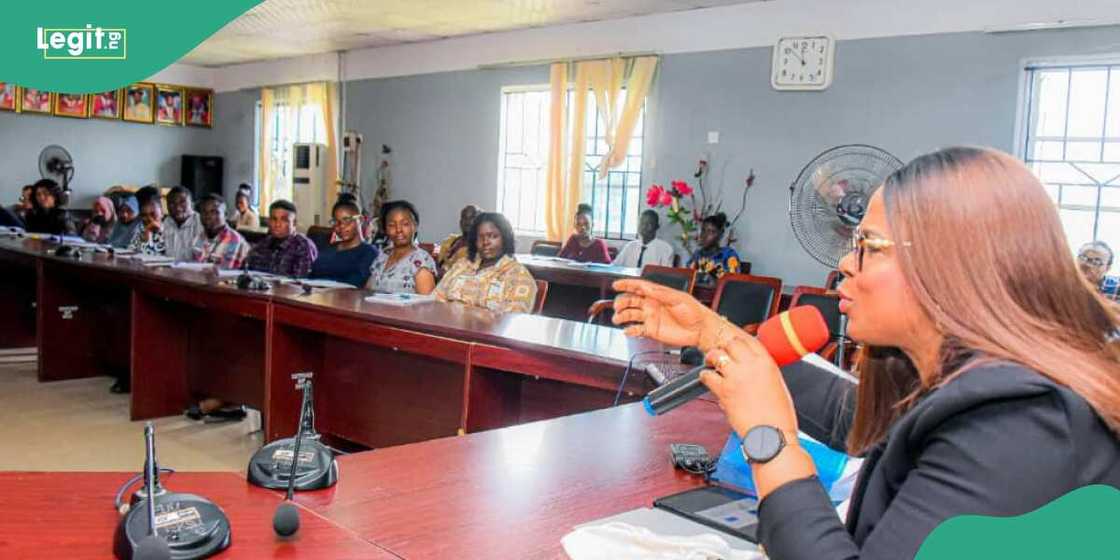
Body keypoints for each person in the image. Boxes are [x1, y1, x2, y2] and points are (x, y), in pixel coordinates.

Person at [612, 147, 1120, 560]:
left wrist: (770, 440)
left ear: (947, 266)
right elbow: (861, 421)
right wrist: (712, 333)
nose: (844, 263)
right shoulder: (986, 387)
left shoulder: (1016, 424)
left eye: (870, 246)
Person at [436, 212, 538, 314]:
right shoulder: (461, 265)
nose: (485, 242)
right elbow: (435, 300)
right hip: (443, 325)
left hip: (484, 329)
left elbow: (512, 320)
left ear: (505, 238)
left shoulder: (518, 276)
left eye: (493, 236)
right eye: (480, 237)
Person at [366, 200, 436, 294]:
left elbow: (427, 305)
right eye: (392, 225)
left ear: (414, 226)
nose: (399, 230)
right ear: (385, 229)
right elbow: (367, 292)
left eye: (405, 224)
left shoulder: (421, 261)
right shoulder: (382, 257)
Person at [309, 198, 378, 288]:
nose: (341, 226)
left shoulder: (369, 252)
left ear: (360, 220)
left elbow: (355, 283)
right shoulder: (327, 249)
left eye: (347, 220)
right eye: (336, 222)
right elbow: (311, 277)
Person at [245, 199, 318, 277]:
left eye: (284, 220)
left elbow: (301, 281)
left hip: (289, 288)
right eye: (274, 219)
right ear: (269, 221)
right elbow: (247, 272)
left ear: (294, 223)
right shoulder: (263, 244)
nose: (277, 224)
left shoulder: (302, 246)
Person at [191, 194, 249, 269]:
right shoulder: (197, 239)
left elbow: (224, 274)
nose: (208, 216)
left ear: (225, 215)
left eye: (214, 212)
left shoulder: (235, 241)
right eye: (204, 212)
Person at [688, 212, 741, 284]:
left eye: (711, 232)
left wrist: (709, 267)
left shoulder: (729, 254)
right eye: (703, 230)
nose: (704, 236)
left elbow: (733, 279)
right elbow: (687, 276)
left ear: (720, 234)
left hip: (719, 294)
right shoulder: (697, 254)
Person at [162, 186, 203, 261]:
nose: (177, 207)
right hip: (167, 270)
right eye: (172, 203)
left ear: (192, 204)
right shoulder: (165, 223)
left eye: (182, 202)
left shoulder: (202, 223)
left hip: (193, 271)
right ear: (167, 206)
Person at [437, 204, 481, 273]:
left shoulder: (484, 247)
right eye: (464, 217)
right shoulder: (450, 241)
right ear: (460, 222)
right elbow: (439, 266)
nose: (467, 221)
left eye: (472, 217)